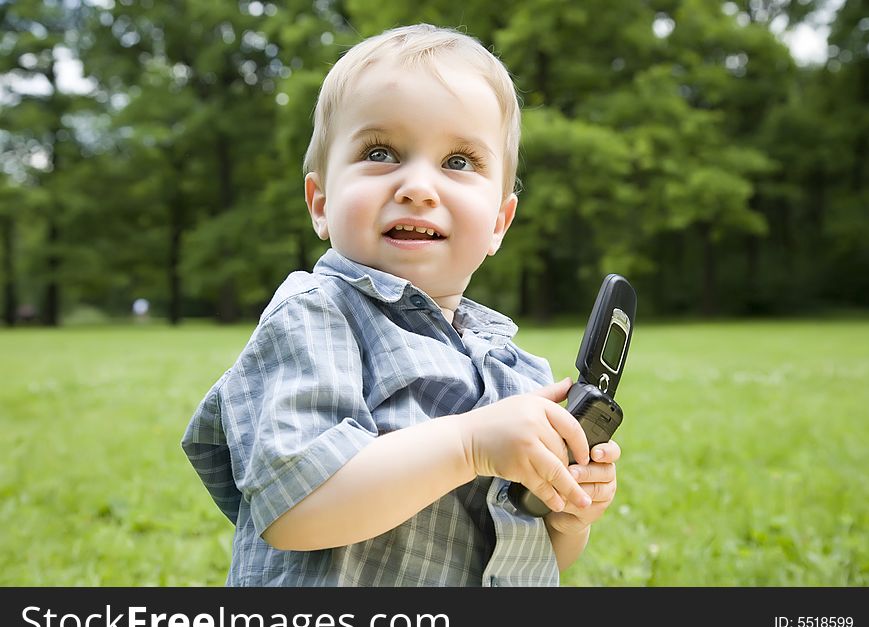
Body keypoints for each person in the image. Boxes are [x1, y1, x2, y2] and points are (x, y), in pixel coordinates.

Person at [182, 23, 620, 586]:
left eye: (459, 161)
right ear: (320, 202)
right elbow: (295, 510)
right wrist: (469, 445)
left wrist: (565, 516)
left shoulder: (517, 375)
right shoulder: (316, 317)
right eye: (380, 152)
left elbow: (525, 562)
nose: (418, 186)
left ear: (498, 224)